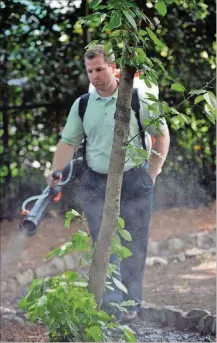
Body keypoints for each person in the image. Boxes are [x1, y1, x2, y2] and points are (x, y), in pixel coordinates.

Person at [47, 44, 170, 322]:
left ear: (114, 68)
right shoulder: (83, 104)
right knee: (103, 244)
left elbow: (161, 135)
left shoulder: (138, 99)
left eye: (100, 69)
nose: (94, 76)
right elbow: (69, 141)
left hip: (134, 181)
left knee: (134, 244)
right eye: (90, 70)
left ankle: (130, 305)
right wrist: (55, 170)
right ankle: (110, 306)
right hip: (95, 183)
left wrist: (152, 173)